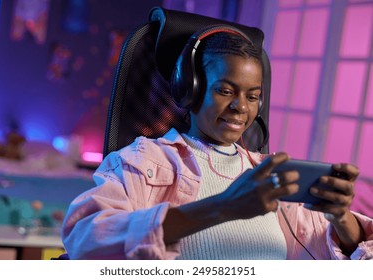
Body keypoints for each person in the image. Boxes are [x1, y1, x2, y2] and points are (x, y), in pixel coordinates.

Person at [61, 27, 373, 260]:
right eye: (226, 91)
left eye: (253, 97)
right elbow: (84, 239)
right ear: (191, 91)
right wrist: (223, 207)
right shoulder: (144, 161)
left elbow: (347, 256)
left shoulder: (271, 176)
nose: (241, 107)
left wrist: (340, 218)